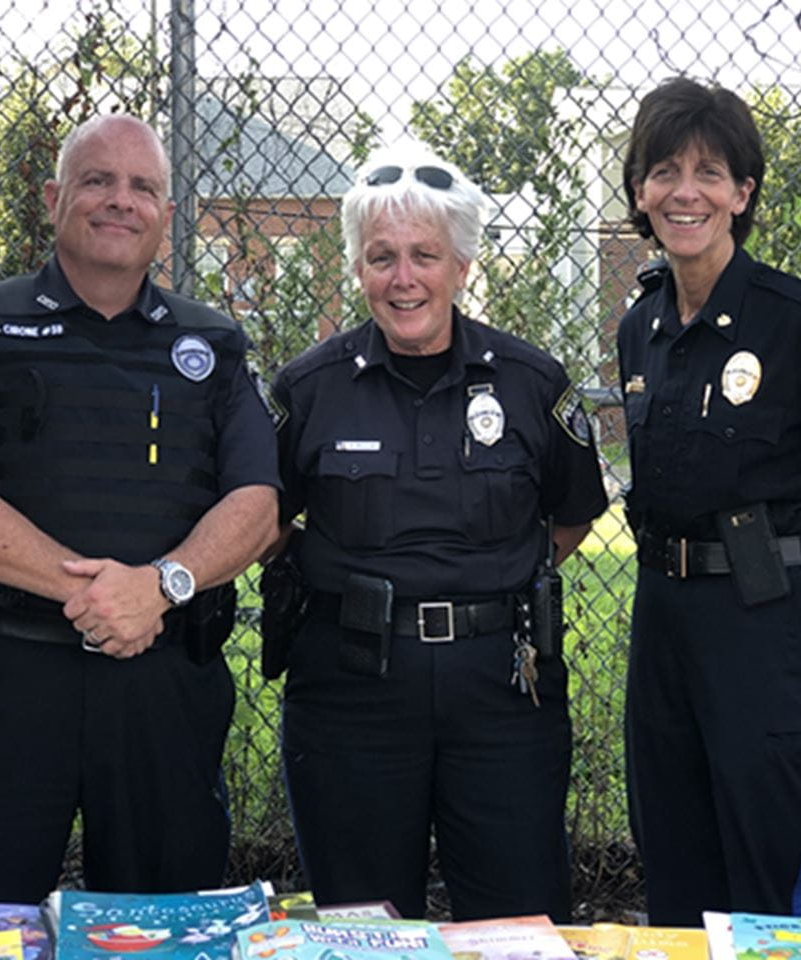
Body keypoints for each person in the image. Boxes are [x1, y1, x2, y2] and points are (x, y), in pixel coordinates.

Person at [0, 113, 279, 903]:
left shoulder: (216, 345)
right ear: (53, 197)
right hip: (1, 678)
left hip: (161, 678)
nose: (119, 200)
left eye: (143, 187)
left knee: (163, 931)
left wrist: (161, 586)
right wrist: (94, 595)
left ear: (168, 218)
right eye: (97, 180)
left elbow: (259, 506)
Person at [265, 143, 608, 922]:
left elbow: (573, 516)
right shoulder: (309, 389)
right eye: (381, 257)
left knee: (518, 921)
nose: (403, 277)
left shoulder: (531, 384)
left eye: (425, 255)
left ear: (462, 266)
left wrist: (475, 592)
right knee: (361, 923)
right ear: (357, 270)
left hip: (499, 690)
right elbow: (261, 521)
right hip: (351, 688)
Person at [616, 78, 801, 925]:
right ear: (640, 190)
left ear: (742, 193)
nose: (686, 191)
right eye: (665, 170)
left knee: (775, 872)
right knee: (674, 862)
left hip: (772, 615)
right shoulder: (644, 324)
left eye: (710, 172)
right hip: (664, 614)